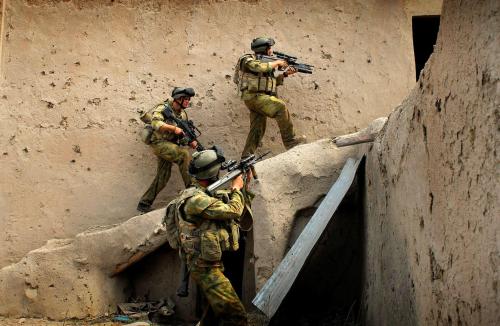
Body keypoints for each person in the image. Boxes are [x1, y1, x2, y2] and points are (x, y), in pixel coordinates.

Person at [177, 148, 250, 326]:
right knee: (236, 315)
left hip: (210, 262)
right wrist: (236, 188)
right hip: (205, 267)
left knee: (212, 317)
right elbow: (234, 210)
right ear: (212, 173)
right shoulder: (196, 200)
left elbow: (221, 199)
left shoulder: (201, 193)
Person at [235, 37, 305, 158]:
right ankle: (290, 142)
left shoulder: (267, 64)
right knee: (280, 107)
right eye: (269, 48)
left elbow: (270, 84)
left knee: (257, 130)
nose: (271, 50)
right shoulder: (247, 59)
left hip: (259, 98)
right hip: (253, 97)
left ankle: (246, 156)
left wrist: (285, 74)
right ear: (263, 49)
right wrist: (277, 62)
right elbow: (257, 67)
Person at [137, 87, 198, 213]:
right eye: (186, 99)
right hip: (159, 143)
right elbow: (156, 123)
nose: (188, 101)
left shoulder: (183, 114)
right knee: (183, 155)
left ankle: (144, 203)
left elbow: (183, 136)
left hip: (170, 145)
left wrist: (190, 141)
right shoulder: (163, 108)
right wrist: (173, 129)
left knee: (163, 176)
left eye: (189, 99)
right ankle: (192, 191)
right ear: (178, 99)